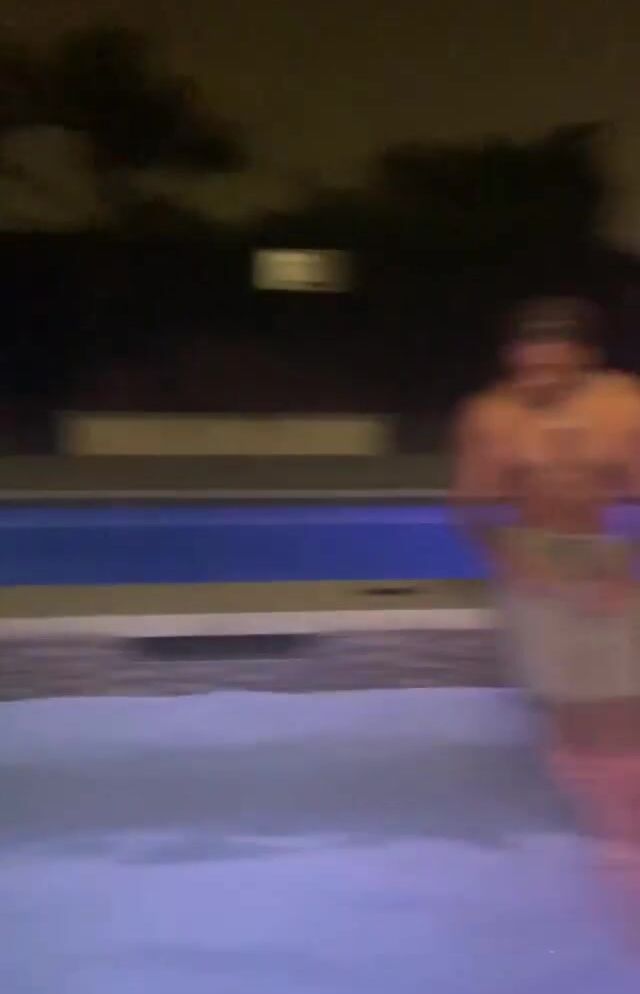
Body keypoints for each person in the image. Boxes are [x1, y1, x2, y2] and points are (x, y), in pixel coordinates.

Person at [452, 296, 640, 887]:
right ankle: (601, 825)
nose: (538, 382)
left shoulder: (624, 407)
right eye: (528, 369)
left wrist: (620, 571)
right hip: (535, 557)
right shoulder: (492, 416)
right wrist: (517, 563)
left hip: (616, 556)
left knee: (620, 706)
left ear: (587, 360)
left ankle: (623, 835)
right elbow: (473, 509)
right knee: (566, 707)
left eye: (555, 369)